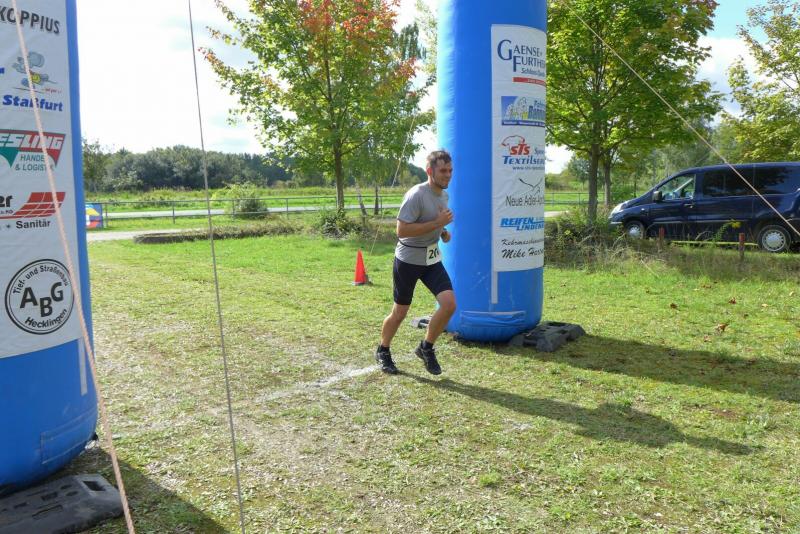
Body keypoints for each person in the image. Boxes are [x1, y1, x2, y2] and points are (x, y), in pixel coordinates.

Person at [375, 150, 457, 375]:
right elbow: (401, 230)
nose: (448, 175)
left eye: (450, 170)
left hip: (431, 259)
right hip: (408, 260)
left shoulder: (444, 196)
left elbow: (434, 221)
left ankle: (426, 348)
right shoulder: (416, 195)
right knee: (400, 312)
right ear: (430, 171)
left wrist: (443, 232)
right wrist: (437, 223)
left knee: (449, 304)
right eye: (443, 170)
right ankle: (383, 350)